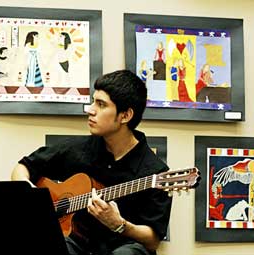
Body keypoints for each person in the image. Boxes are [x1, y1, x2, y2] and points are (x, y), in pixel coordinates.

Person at [11, 70, 172, 255]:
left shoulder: (155, 173)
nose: (90, 109)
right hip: (77, 244)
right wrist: (32, 196)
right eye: (93, 101)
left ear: (125, 116)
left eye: (101, 104)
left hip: (123, 246)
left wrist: (120, 225)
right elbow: (23, 167)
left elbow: (152, 241)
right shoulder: (78, 149)